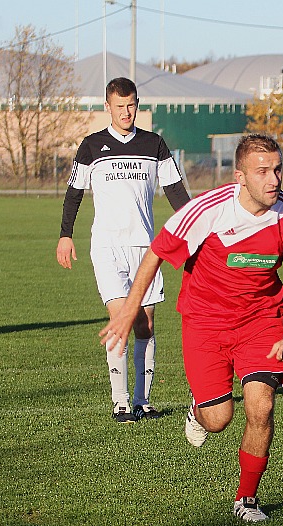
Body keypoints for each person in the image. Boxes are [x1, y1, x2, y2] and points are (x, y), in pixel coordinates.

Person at [99, 134, 283, 523]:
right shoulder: (208, 210)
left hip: (260, 322)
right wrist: (129, 309)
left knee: (261, 406)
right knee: (219, 419)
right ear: (240, 177)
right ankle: (199, 411)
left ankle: (246, 499)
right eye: (262, 171)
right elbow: (158, 252)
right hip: (205, 323)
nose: (274, 179)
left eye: (277, 169)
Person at [57, 77, 190, 423]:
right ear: (108, 107)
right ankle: (120, 401)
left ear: (137, 104)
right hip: (107, 246)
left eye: (131, 105)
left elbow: (175, 190)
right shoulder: (91, 146)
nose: (126, 112)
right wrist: (65, 235)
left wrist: (195, 228)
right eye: (119, 106)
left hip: (147, 249)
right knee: (120, 321)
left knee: (145, 324)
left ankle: (143, 401)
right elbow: (74, 193)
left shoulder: (154, 144)